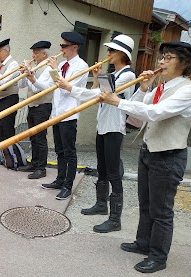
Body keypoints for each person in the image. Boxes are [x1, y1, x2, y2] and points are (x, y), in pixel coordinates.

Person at [99, 41, 191, 273]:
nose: (161, 62)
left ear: (185, 63)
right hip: (149, 151)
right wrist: (143, 88)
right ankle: (143, 243)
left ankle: (158, 256)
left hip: (169, 154)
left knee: (161, 209)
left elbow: (155, 113)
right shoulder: (162, 86)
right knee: (146, 203)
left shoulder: (187, 90)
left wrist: (116, 100)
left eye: (168, 58)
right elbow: (137, 110)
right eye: (162, 57)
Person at [55, 34, 136, 232]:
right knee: (102, 168)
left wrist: (70, 87)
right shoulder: (113, 74)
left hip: (114, 128)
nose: (108, 53)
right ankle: (101, 204)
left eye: (112, 51)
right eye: (108, 50)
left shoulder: (128, 75)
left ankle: (115, 219)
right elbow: (98, 91)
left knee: (113, 173)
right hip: (103, 126)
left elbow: (100, 95)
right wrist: (95, 78)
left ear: (122, 54)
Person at [27, 32, 89, 200]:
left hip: (69, 114)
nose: (61, 49)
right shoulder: (62, 65)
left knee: (69, 152)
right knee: (59, 150)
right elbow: (47, 86)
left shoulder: (81, 66)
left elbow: (65, 88)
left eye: (64, 46)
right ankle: (60, 180)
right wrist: (31, 78)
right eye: (61, 45)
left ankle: (68, 185)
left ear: (74, 47)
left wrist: (54, 69)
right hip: (56, 113)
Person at [18, 40, 54, 179]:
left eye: (36, 53)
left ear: (44, 54)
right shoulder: (37, 67)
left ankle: (41, 168)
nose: (33, 55)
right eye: (33, 53)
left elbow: (38, 89)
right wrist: (23, 73)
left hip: (43, 106)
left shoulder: (48, 69)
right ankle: (34, 163)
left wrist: (29, 75)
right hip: (32, 105)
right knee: (33, 136)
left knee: (40, 138)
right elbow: (21, 85)